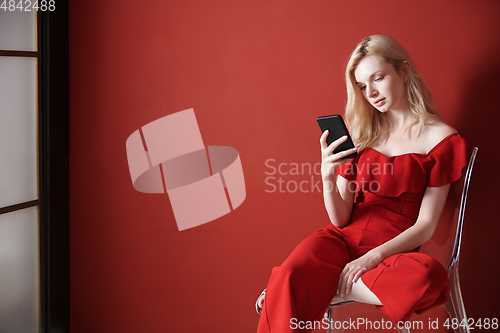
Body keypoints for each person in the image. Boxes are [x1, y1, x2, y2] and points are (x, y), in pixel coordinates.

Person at [255, 34, 469, 332]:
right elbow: (340, 218)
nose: (371, 92)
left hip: (392, 254)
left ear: (404, 71)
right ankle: (295, 285)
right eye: (362, 86)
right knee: (292, 268)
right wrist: (327, 174)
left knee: (429, 277)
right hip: (340, 242)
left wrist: (372, 257)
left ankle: (294, 290)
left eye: (378, 78)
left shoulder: (441, 138)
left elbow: (426, 225)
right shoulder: (360, 133)